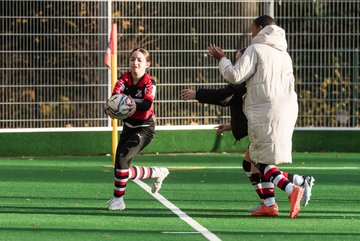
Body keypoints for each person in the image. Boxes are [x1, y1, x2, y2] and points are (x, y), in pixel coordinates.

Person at [180, 49, 314, 217]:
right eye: (236, 61)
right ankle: (277, 198)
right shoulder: (254, 81)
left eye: (240, 60)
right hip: (270, 122)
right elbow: (243, 108)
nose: (238, 64)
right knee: (251, 163)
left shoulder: (248, 81)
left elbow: (224, 96)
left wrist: (197, 94)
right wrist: (231, 126)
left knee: (259, 162)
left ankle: (291, 188)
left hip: (269, 124)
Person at [208, 15, 304, 218]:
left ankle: (291, 189)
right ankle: (269, 204)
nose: (251, 33)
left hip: (265, 110)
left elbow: (234, 75)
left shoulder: (256, 49)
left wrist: (222, 59)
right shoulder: (284, 54)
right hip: (287, 109)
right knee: (252, 158)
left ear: (260, 28)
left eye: (252, 29)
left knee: (259, 160)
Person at [105, 48, 169, 211]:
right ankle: (155, 172)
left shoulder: (150, 82)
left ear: (147, 64)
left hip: (145, 128)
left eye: (139, 60)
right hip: (128, 126)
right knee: (120, 165)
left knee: (122, 159)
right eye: (132, 59)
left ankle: (118, 200)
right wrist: (110, 109)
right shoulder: (123, 79)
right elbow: (115, 99)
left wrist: (132, 103)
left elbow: (147, 103)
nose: (135, 63)